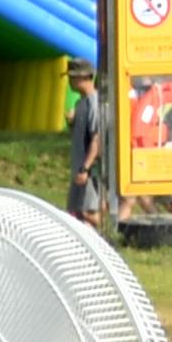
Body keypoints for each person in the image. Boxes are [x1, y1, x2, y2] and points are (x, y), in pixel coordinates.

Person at [70, 60, 110, 222]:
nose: (69, 82)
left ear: (84, 77)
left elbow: (97, 139)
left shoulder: (95, 103)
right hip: (79, 167)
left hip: (90, 170)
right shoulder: (80, 103)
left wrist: (85, 168)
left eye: (72, 78)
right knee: (77, 213)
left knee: (89, 212)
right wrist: (71, 123)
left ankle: (106, 239)